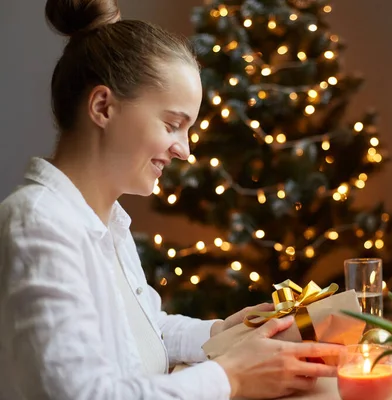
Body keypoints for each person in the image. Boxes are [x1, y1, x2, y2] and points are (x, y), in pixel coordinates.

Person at [0, 0, 342, 399]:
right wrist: (230, 377)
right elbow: (85, 394)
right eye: (173, 125)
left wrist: (224, 331)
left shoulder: (106, 222)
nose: (185, 151)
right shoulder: (38, 224)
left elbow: (144, 333)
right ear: (102, 107)